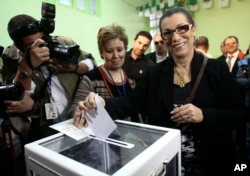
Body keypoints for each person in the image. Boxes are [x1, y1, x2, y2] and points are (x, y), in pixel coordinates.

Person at [73, 7, 249, 176]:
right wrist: (103, 103)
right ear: (164, 39)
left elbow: (239, 115)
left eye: (182, 28)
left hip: (213, 163)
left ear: (193, 30)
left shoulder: (216, 69)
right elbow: (131, 103)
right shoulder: (156, 73)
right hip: (168, 164)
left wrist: (204, 115)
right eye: (168, 32)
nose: (175, 37)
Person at [4, 14, 96, 142]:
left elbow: (91, 62)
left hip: (74, 116)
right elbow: (18, 98)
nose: (43, 47)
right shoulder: (11, 58)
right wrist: (27, 65)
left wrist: (74, 68)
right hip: (44, 127)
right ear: (19, 46)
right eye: (34, 45)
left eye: (43, 40)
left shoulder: (62, 42)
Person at [70, 23, 137, 122]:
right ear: (102, 53)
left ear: (125, 49)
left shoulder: (131, 80)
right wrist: (81, 109)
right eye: (109, 51)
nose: (116, 55)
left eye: (119, 50)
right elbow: (73, 112)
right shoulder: (91, 79)